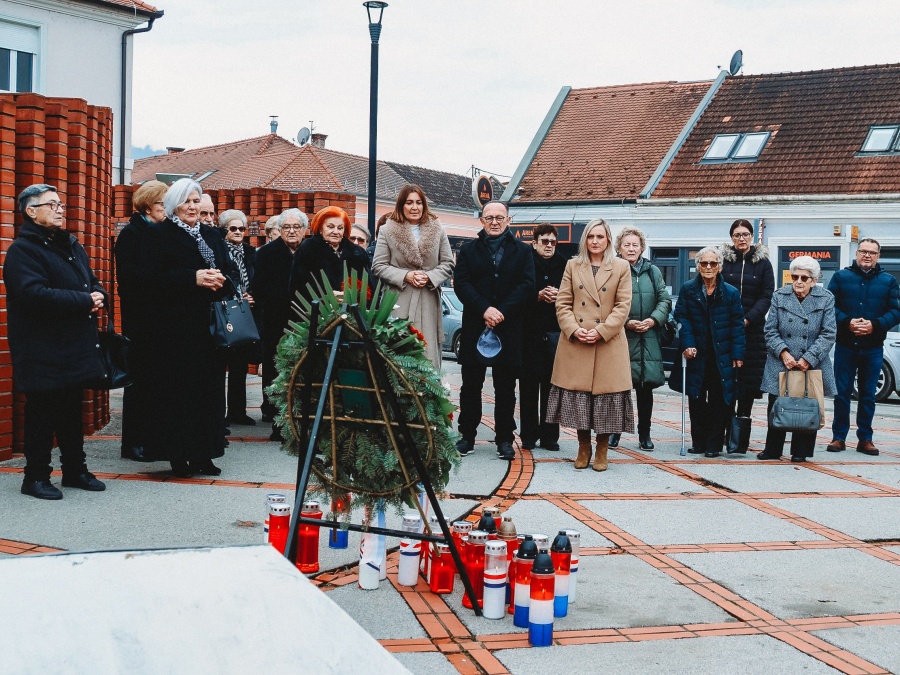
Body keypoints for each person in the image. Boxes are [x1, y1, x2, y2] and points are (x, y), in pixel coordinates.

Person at [5, 184, 108, 499]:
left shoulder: (71, 245)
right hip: (42, 348)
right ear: (31, 211)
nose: (61, 208)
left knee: (70, 412)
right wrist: (83, 300)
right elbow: (32, 294)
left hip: (73, 345)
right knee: (41, 413)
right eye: (52, 204)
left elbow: (92, 282)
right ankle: (35, 478)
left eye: (61, 203)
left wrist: (99, 295)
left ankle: (75, 471)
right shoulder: (23, 250)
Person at [139, 178, 235, 477]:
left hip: (210, 327)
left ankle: (206, 453)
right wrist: (192, 278)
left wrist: (222, 281)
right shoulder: (158, 235)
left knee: (210, 392)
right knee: (181, 393)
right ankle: (179, 455)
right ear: (173, 205)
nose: (192, 207)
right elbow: (149, 279)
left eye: (196, 201)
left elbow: (230, 271)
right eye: (187, 201)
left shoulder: (211, 235)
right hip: (176, 329)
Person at [545, 219, 634, 472]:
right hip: (577, 341)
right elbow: (562, 303)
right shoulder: (573, 265)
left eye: (600, 237)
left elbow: (623, 305)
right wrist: (575, 329)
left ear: (608, 240)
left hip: (608, 343)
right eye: (591, 237)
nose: (595, 241)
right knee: (579, 399)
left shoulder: (621, 266)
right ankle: (584, 447)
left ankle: (602, 449)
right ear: (585, 239)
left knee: (606, 400)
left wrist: (601, 331)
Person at [454, 201, 534, 461]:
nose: (495, 222)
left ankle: (504, 439)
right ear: (482, 221)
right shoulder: (467, 251)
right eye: (490, 218)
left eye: (500, 217)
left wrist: (501, 312)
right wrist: (484, 309)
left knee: (505, 388)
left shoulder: (523, 251)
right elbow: (462, 285)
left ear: (509, 220)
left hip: (509, 328)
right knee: (470, 386)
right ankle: (467, 436)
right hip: (476, 325)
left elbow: (526, 285)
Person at [826, 238, 900, 456]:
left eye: (872, 253)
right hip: (845, 345)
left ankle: (865, 439)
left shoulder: (888, 281)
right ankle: (838, 437)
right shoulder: (841, 277)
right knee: (842, 394)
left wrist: (874, 325)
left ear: (878, 256)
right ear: (857, 253)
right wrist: (847, 322)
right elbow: (829, 306)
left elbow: (896, 311)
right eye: (863, 251)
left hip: (873, 347)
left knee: (868, 395)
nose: (867, 256)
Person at [758, 256, 836, 462]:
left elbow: (828, 333)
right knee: (778, 403)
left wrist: (808, 358)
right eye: (795, 276)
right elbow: (770, 330)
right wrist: (783, 352)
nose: (798, 281)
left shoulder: (826, 298)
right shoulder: (779, 296)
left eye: (804, 277)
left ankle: (800, 451)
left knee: (807, 405)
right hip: (781, 361)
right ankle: (772, 449)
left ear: (813, 279)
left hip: (811, 362)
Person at [672, 246, 745, 458]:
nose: (709, 267)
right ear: (698, 266)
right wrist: (688, 343)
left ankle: (714, 444)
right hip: (696, 353)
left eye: (713, 263)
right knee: (695, 397)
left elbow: (737, 325)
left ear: (720, 266)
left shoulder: (730, 292)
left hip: (721, 355)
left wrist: (737, 354)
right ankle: (698, 441)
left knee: (718, 400)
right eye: (704, 263)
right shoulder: (688, 289)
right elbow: (681, 317)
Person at [372, 184, 454, 370]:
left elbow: (448, 263)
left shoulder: (438, 228)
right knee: (399, 353)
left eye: (418, 203)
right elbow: (378, 265)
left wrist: (430, 276)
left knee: (428, 354)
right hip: (398, 298)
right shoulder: (387, 230)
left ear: (424, 205)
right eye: (409, 203)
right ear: (401, 205)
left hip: (427, 298)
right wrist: (406, 275)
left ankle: (429, 396)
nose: (414, 207)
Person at [114, 179, 167, 463]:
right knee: (138, 383)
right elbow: (131, 280)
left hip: (156, 318)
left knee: (154, 382)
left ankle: (150, 438)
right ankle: (132, 443)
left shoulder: (154, 231)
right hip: (141, 319)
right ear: (148, 205)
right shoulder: (133, 234)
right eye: (162, 204)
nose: (165, 210)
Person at [611, 226, 671, 451]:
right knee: (619, 388)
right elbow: (607, 302)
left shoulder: (652, 271)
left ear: (642, 247)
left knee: (645, 389)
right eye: (626, 244)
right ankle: (614, 431)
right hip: (621, 337)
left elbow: (664, 299)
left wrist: (653, 320)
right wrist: (625, 321)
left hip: (648, 337)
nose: (631, 248)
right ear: (618, 247)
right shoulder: (613, 269)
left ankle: (644, 433)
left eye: (635, 244)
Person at [251, 208, 308, 433]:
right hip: (276, 320)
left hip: (304, 319)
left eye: (296, 227)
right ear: (279, 230)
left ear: (305, 230)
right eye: (286, 227)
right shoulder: (266, 253)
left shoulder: (310, 251)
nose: (292, 231)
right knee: (275, 369)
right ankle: (276, 418)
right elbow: (258, 287)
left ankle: (300, 417)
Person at [721, 219, 774, 452]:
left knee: (747, 385)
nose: (741, 239)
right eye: (736, 235)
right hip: (727, 330)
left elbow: (767, 295)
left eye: (745, 234)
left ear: (752, 236)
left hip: (752, 333)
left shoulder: (763, 263)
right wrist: (733, 319)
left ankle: (739, 440)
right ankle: (722, 434)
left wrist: (748, 318)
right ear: (731, 238)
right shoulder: (723, 260)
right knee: (726, 383)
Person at [519, 224, 567, 452]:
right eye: (544, 241)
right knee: (528, 388)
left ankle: (550, 436)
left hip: (555, 333)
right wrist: (536, 295)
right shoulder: (524, 261)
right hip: (529, 333)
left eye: (552, 242)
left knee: (552, 389)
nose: (549, 246)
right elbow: (517, 292)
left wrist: (560, 296)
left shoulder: (565, 264)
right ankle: (528, 436)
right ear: (535, 242)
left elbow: (572, 295)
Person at [220, 209, 259, 426]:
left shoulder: (251, 253)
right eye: (233, 228)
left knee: (240, 365)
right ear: (225, 230)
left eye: (241, 228)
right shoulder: (220, 251)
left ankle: (237, 411)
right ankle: (218, 415)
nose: (237, 232)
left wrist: (251, 295)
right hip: (225, 310)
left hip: (245, 313)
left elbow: (256, 279)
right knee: (221, 364)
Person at [289, 206, 371, 307]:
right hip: (318, 313)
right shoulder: (308, 249)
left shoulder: (357, 253)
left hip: (352, 313)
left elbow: (368, 287)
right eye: (330, 227)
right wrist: (326, 297)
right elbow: (298, 287)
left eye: (340, 228)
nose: (336, 232)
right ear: (320, 228)